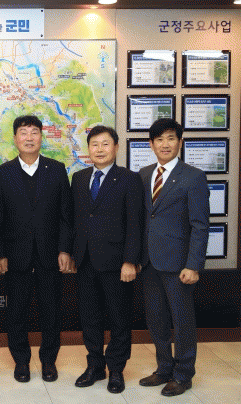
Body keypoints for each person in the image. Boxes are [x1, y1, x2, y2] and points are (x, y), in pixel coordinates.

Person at [0, 115, 73, 383]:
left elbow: (66, 215)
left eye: (34, 132)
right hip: (15, 255)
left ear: (41, 137)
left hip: (50, 253)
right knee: (16, 311)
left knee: (51, 311)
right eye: (23, 132)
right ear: (15, 139)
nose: (29, 137)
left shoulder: (56, 169)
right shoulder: (2, 173)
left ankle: (48, 361)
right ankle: (21, 361)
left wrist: (65, 250)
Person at [138, 118, 209, 397]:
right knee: (156, 319)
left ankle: (183, 374)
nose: (164, 144)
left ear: (180, 142)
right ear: (151, 144)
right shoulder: (144, 174)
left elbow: (200, 225)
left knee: (182, 321)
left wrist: (194, 265)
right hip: (149, 262)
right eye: (159, 139)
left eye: (170, 138)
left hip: (179, 264)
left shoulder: (193, 176)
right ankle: (164, 368)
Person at [71, 126, 144, 394]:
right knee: (89, 318)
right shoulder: (79, 178)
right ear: (88, 149)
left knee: (119, 318)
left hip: (117, 263)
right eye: (94, 144)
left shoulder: (129, 179)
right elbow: (75, 218)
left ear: (116, 147)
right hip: (85, 260)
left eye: (105, 144)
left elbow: (135, 222)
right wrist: (71, 253)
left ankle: (116, 369)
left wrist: (130, 260)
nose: (99, 149)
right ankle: (95, 365)